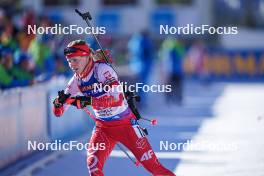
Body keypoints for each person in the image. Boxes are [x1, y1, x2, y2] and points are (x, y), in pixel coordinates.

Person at [52, 40, 176, 176]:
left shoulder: (102, 69)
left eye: (75, 60)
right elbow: (58, 112)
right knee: (93, 166)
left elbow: (116, 100)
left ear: (87, 56)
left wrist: (87, 100)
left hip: (126, 126)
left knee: (154, 168)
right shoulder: (76, 81)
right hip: (103, 128)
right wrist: (58, 103)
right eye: (69, 61)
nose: (71, 65)